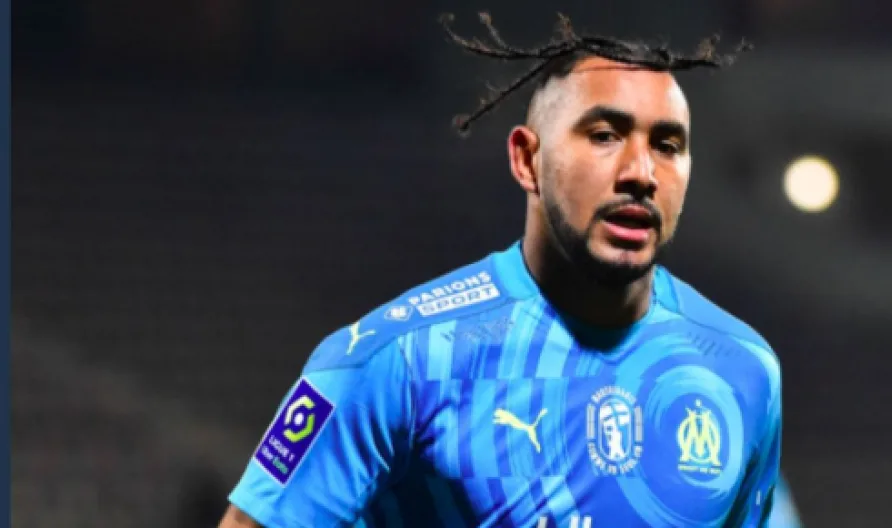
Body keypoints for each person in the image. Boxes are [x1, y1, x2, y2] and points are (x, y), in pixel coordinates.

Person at [218, 13, 781, 528]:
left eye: (667, 144)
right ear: (527, 159)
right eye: (605, 135)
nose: (641, 172)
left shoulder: (744, 371)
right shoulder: (400, 358)